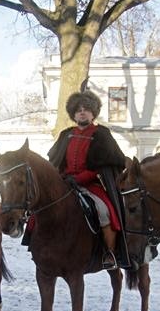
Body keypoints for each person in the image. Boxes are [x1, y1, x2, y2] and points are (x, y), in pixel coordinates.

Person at [47, 89, 127, 270]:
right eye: (78, 109)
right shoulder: (65, 135)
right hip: (65, 184)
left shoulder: (101, 134)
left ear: (93, 113)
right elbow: (56, 163)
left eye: (86, 109)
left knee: (104, 211)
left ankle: (110, 252)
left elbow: (102, 166)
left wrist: (81, 179)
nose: (82, 112)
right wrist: (61, 179)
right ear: (73, 113)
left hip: (91, 185)